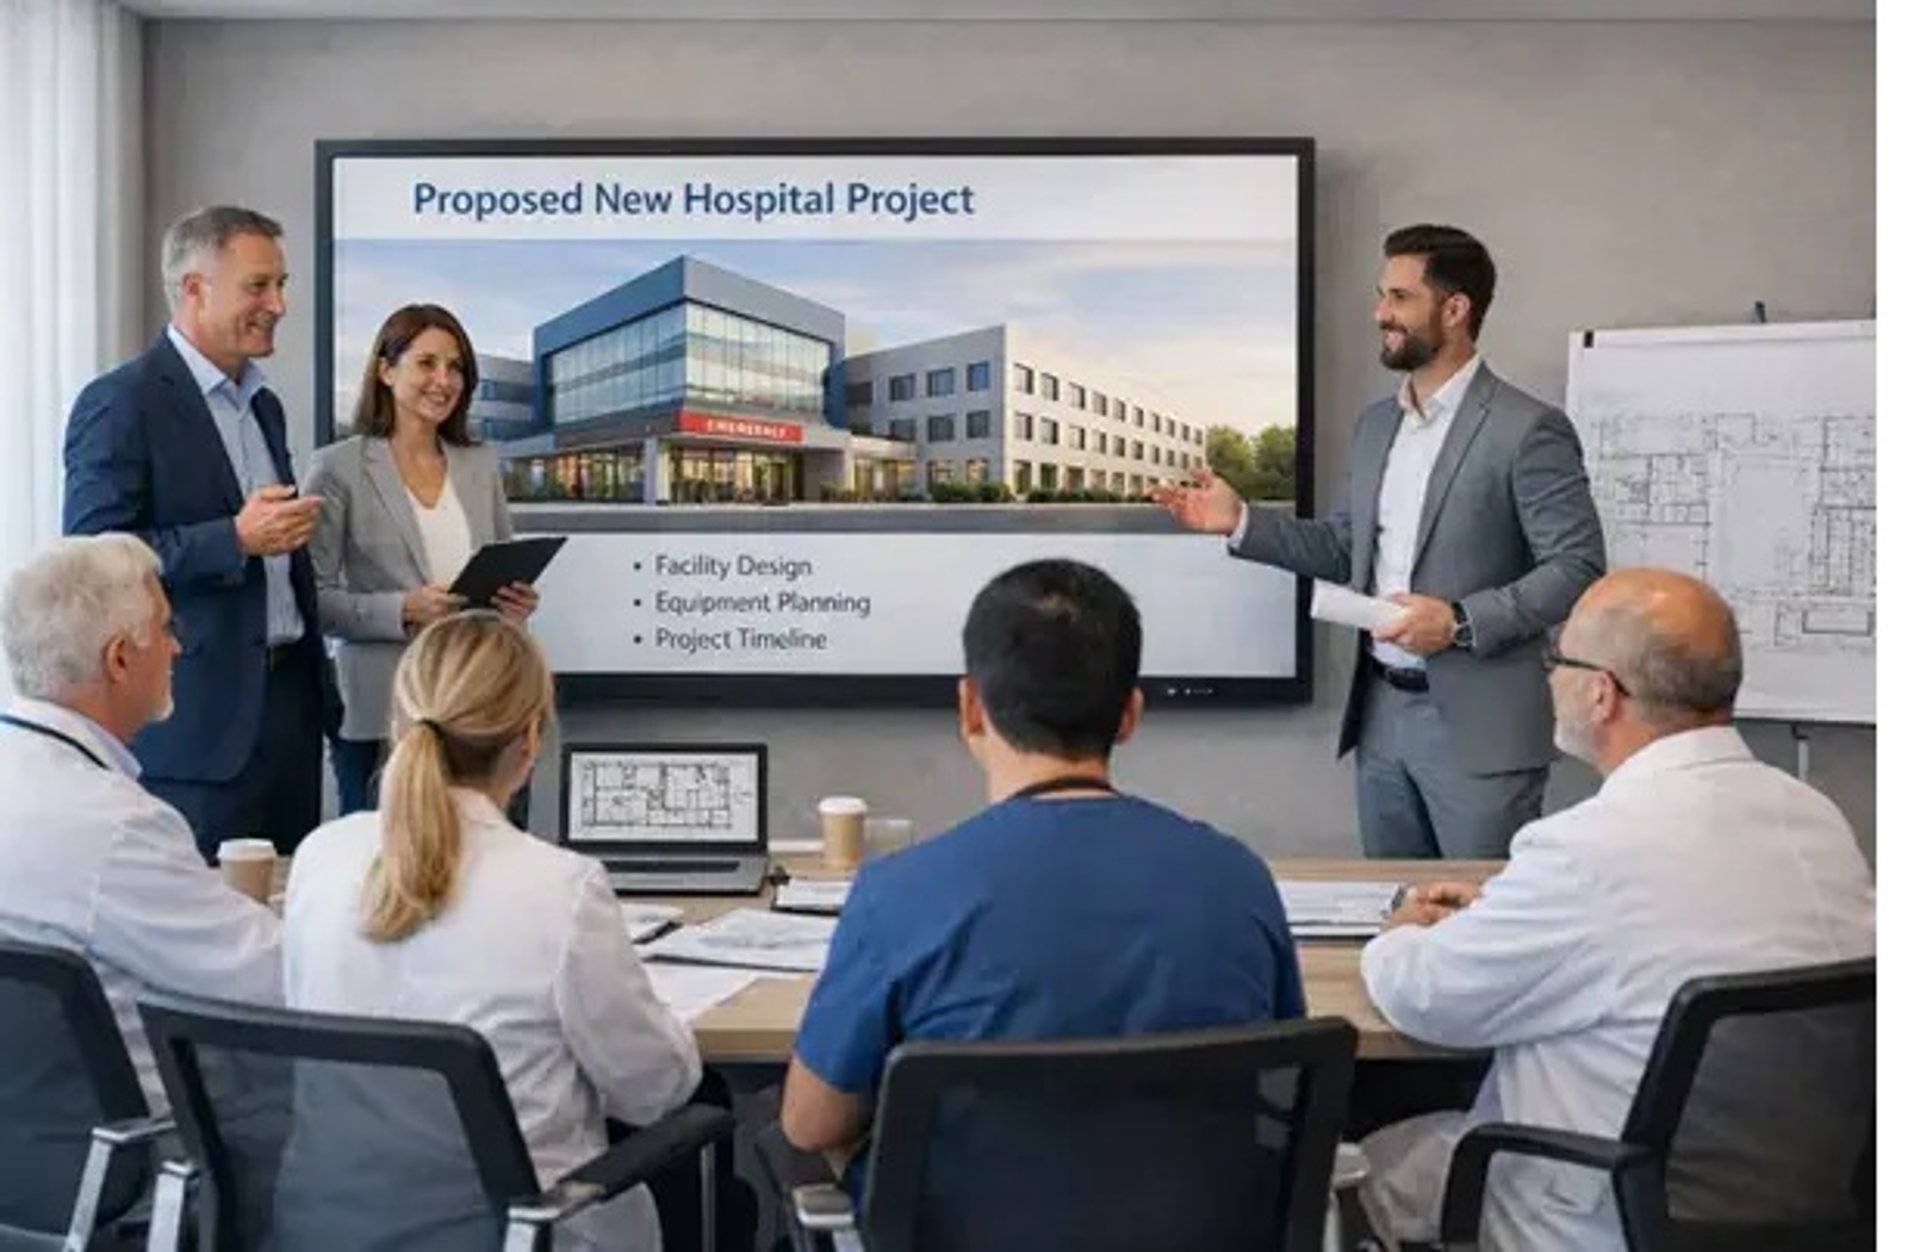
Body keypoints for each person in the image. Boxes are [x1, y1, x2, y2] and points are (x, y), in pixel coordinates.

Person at [1356, 568, 1875, 1252]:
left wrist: (1399, 930)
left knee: (1360, 1169)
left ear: (1600, 694)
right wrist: (1515, 912)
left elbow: (1425, 998)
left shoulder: (1585, 850)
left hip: (1591, 1218)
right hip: (1792, 1212)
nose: (1548, 677)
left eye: (1557, 658)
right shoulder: (1814, 818)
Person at [781, 558, 1305, 1184]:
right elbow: (1285, 1077)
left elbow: (811, 1124)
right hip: (1203, 1221)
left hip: (964, 1222)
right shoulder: (1238, 880)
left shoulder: (897, 894)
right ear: (1130, 714)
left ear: (970, 709)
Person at [1156, 224, 1605, 859]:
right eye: (1380, 296)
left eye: (1399, 297)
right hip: (1381, 719)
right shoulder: (1376, 426)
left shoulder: (1528, 429)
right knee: (1393, 907)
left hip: (1478, 731)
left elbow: (1578, 566)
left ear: (1455, 309)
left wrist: (1458, 622)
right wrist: (1241, 521)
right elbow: (1345, 549)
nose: (1380, 314)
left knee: (1481, 914)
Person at [282, 611, 698, 1252]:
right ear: (530, 739)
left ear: (398, 725)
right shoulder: (561, 889)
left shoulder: (319, 857)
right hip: (527, 1234)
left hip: (332, 1227)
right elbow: (654, 1091)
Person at [63, 204, 333, 861]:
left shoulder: (263, 405)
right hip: (199, 730)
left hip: (290, 714)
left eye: (281, 285)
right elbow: (93, 558)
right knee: (200, 911)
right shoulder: (122, 401)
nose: (278, 305)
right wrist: (234, 539)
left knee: (286, 908)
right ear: (194, 288)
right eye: (258, 286)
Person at [0, 535, 282, 1109]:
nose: (177, 648)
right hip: (162, 1137)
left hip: (34, 1134)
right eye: (166, 628)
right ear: (120, 659)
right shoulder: (115, 827)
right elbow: (274, 980)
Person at [304, 303, 537, 815]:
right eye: (427, 363)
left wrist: (513, 606)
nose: (444, 380)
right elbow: (312, 600)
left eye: (456, 368)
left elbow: (502, 558)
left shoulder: (479, 465)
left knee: (483, 849)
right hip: (381, 705)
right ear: (386, 371)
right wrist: (404, 609)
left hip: (475, 698)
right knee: (384, 852)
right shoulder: (338, 468)